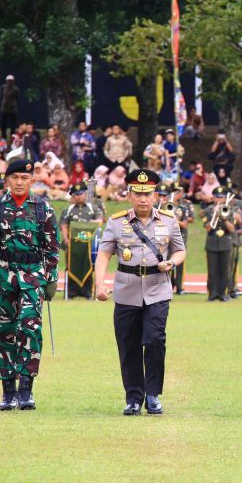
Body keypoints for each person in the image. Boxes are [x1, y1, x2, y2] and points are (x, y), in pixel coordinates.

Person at [0, 159, 60, 411]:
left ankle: (26, 391)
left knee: (30, 329)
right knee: (5, 331)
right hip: (3, 275)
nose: (19, 182)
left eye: (24, 178)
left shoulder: (43, 208)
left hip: (33, 276)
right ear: (6, 180)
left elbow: (53, 247)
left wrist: (51, 277)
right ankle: (8, 391)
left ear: (33, 180)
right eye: (14, 177)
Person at [94, 169, 185, 415]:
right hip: (126, 288)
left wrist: (172, 263)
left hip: (158, 288)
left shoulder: (169, 220)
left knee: (154, 339)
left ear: (155, 195)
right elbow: (104, 254)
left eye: (147, 193)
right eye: (137, 193)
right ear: (129, 195)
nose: (142, 198)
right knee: (128, 343)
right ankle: (134, 397)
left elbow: (180, 250)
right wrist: (99, 283)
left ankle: (153, 394)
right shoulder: (116, 222)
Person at [59, 182, 103, 299]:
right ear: (72, 196)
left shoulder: (92, 209)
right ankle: (71, 293)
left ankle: (87, 292)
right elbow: (64, 226)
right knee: (71, 267)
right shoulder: (68, 210)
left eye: (81, 194)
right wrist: (66, 240)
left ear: (85, 194)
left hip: (88, 245)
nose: (79, 196)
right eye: (76, 194)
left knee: (88, 266)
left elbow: (99, 221)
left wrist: (87, 224)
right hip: (72, 245)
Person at [202, 186, 237, 302]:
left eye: (221, 197)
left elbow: (232, 229)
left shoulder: (229, 210)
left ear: (225, 199)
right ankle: (212, 294)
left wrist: (223, 217)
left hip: (226, 243)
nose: (218, 199)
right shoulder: (208, 210)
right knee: (212, 271)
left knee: (225, 270)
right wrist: (215, 216)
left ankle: (223, 294)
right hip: (212, 243)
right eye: (216, 197)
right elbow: (208, 228)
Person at [170, 181, 194, 295]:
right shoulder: (167, 204)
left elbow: (187, 223)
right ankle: (169, 285)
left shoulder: (185, 205)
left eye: (178, 192)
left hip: (180, 236)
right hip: (167, 237)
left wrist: (175, 219)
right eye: (175, 192)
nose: (177, 194)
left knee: (180, 263)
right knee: (168, 261)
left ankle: (179, 286)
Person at [0, 75, 20, 140]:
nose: (9, 82)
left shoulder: (15, 89)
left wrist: (13, 103)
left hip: (12, 108)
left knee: (12, 123)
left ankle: (12, 136)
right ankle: (3, 136)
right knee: (4, 123)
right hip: (4, 107)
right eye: (8, 81)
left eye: (11, 81)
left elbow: (17, 97)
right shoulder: (3, 87)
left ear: (13, 81)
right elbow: (1, 96)